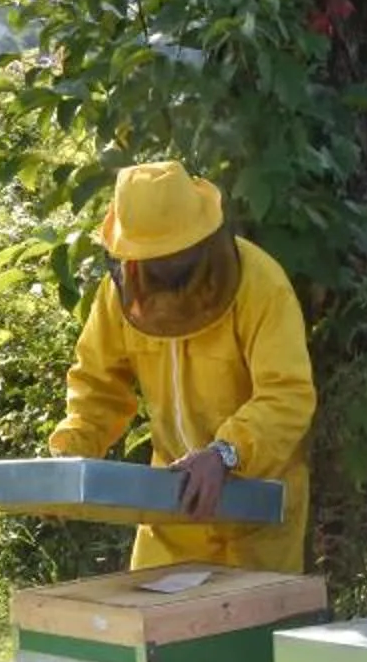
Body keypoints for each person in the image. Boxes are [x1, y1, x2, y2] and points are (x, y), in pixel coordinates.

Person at [47, 160, 316, 573]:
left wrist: (226, 453)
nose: (166, 275)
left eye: (176, 258)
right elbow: (97, 387)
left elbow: (288, 395)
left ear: (203, 240)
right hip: (171, 513)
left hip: (255, 510)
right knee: (148, 614)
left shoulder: (262, 285)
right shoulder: (118, 295)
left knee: (247, 617)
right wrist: (70, 455)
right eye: (154, 262)